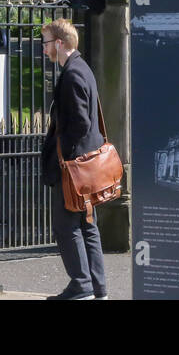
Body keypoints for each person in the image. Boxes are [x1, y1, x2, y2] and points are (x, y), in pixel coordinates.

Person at [40, 18, 107, 300]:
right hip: (87, 165)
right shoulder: (82, 69)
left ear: (58, 43)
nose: (43, 49)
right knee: (87, 225)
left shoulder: (72, 74)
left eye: (45, 43)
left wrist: (64, 156)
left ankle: (81, 286)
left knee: (67, 227)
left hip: (74, 168)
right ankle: (97, 288)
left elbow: (80, 123)